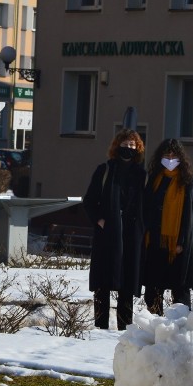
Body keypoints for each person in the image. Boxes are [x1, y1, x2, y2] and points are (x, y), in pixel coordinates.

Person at [82, 129, 146, 330]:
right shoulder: (105, 170)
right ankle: (100, 326)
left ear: (138, 149)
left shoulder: (141, 175)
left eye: (132, 146)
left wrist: (142, 229)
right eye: (125, 145)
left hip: (130, 235)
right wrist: (99, 220)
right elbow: (90, 200)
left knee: (127, 282)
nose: (128, 149)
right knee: (103, 281)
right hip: (107, 234)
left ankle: (125, 327)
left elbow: (148, 206)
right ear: (117, 147)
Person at [142, 138, 193, 314]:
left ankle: (179, 331)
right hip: (155, 243)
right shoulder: (154, 180)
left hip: (180, 247)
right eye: (166, 154)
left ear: (181, 157)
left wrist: (183, 242)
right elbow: (146, 209)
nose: (170, 158)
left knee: (180, 293)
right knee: (153, 291)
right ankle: (153, 329)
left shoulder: (191, 182)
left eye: (173, 154)